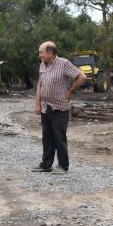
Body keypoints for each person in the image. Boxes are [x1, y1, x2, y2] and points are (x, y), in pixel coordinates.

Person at [33, 41, 87, 174]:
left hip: (59, 108)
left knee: (59, 137)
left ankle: (63, 166)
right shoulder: (42, 65)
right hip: (46, 107)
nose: (40, 55)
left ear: (50, 53)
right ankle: (46, 164)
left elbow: (82, 77)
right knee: (47, 137)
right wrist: (37, 103)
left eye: (41, 52)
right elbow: (40, 84)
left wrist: (70, 91)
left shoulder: (64, 63)